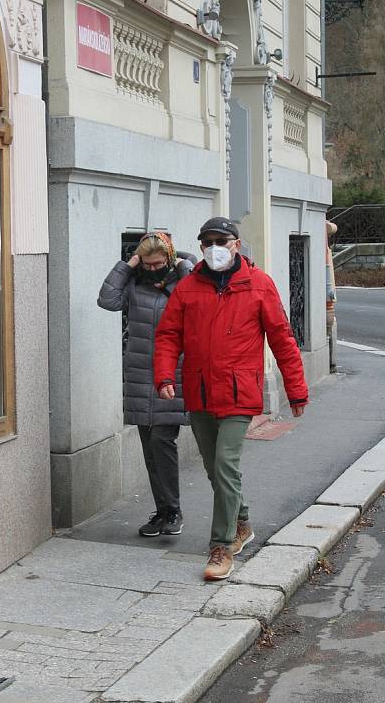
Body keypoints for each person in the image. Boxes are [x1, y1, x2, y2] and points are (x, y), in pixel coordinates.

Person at [154, 217, 308, 581]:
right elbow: (167, 335)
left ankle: (220, 547)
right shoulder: (188, 287)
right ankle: (242, 525)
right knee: (214, 468)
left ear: (237, 244)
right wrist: (163, 376)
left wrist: (296, 389)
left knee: (224, 465)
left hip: (240, 392)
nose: (213, 248)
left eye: (220, 240)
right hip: (201, 390)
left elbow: (282, 339)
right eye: (206, 242)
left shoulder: (259, 285)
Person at [97, 232, 196, 537]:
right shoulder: (134, 283)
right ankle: (164, 511)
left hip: (173, 374)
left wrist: (181, 266)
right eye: (148, 264)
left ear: (170, 258)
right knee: (150, 449)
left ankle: (173, 510)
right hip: (141, 375)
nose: (153, 269)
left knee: (161, 442)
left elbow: (198, 299)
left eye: (159, 263)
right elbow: (107, 300)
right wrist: (128, 265)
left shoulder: (184, 280)